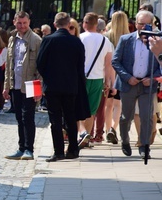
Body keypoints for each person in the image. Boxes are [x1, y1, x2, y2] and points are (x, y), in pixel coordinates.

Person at [36, 12, 85, 162]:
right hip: (70, 85)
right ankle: (73, 149)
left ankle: (58, 151)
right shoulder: (76, 42)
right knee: (71, 117)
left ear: (55, 24)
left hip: (53, 86)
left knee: (55, 119)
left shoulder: (48, 40)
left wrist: (48, 78)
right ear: (68, 24)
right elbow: (80, 66)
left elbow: (40, 63)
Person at [112, 10, 161, 159]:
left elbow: (160, 63)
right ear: (136, 24)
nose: (144, 26)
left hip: (147, 85)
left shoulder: (158, 42)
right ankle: (125, 140)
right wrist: (127, 77)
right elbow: (115, 61)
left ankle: (144, 146)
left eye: (147, 23)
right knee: (126, 116)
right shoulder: (126, 40)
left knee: (147, 116)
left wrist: (153, 78)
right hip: (129, 84)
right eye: (141, 23)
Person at [3, 11, 42, 160]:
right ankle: (21, 147)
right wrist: (6, 86)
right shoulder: (12, 39)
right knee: (19, 117)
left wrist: (39, 88)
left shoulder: (36, 40)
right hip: (15, 84)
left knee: (28, 117)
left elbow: (41, 67)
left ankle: (29, 149)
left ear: (29, 22)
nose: (22, 25)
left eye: (25, 23)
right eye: (19, 23)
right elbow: (9, 64)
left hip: (31, 83)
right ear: (14, 22)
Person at [76, 12, 114, 147]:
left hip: (81, 78)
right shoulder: (106, 41)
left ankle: (82, 133)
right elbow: (109, 64)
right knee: (92, 110)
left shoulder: (80, 38)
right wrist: (108, 82)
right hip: (98, 79)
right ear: (96, 24)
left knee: (78, 107)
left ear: (84, 23)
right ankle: (88, 135)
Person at [103, 11, 130, 144]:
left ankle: (108, 129)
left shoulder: (107, 36)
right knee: (118, 105)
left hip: (108, 72)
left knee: (108, 105)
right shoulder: (128, 37)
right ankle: (113, 128)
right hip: (123, 74)